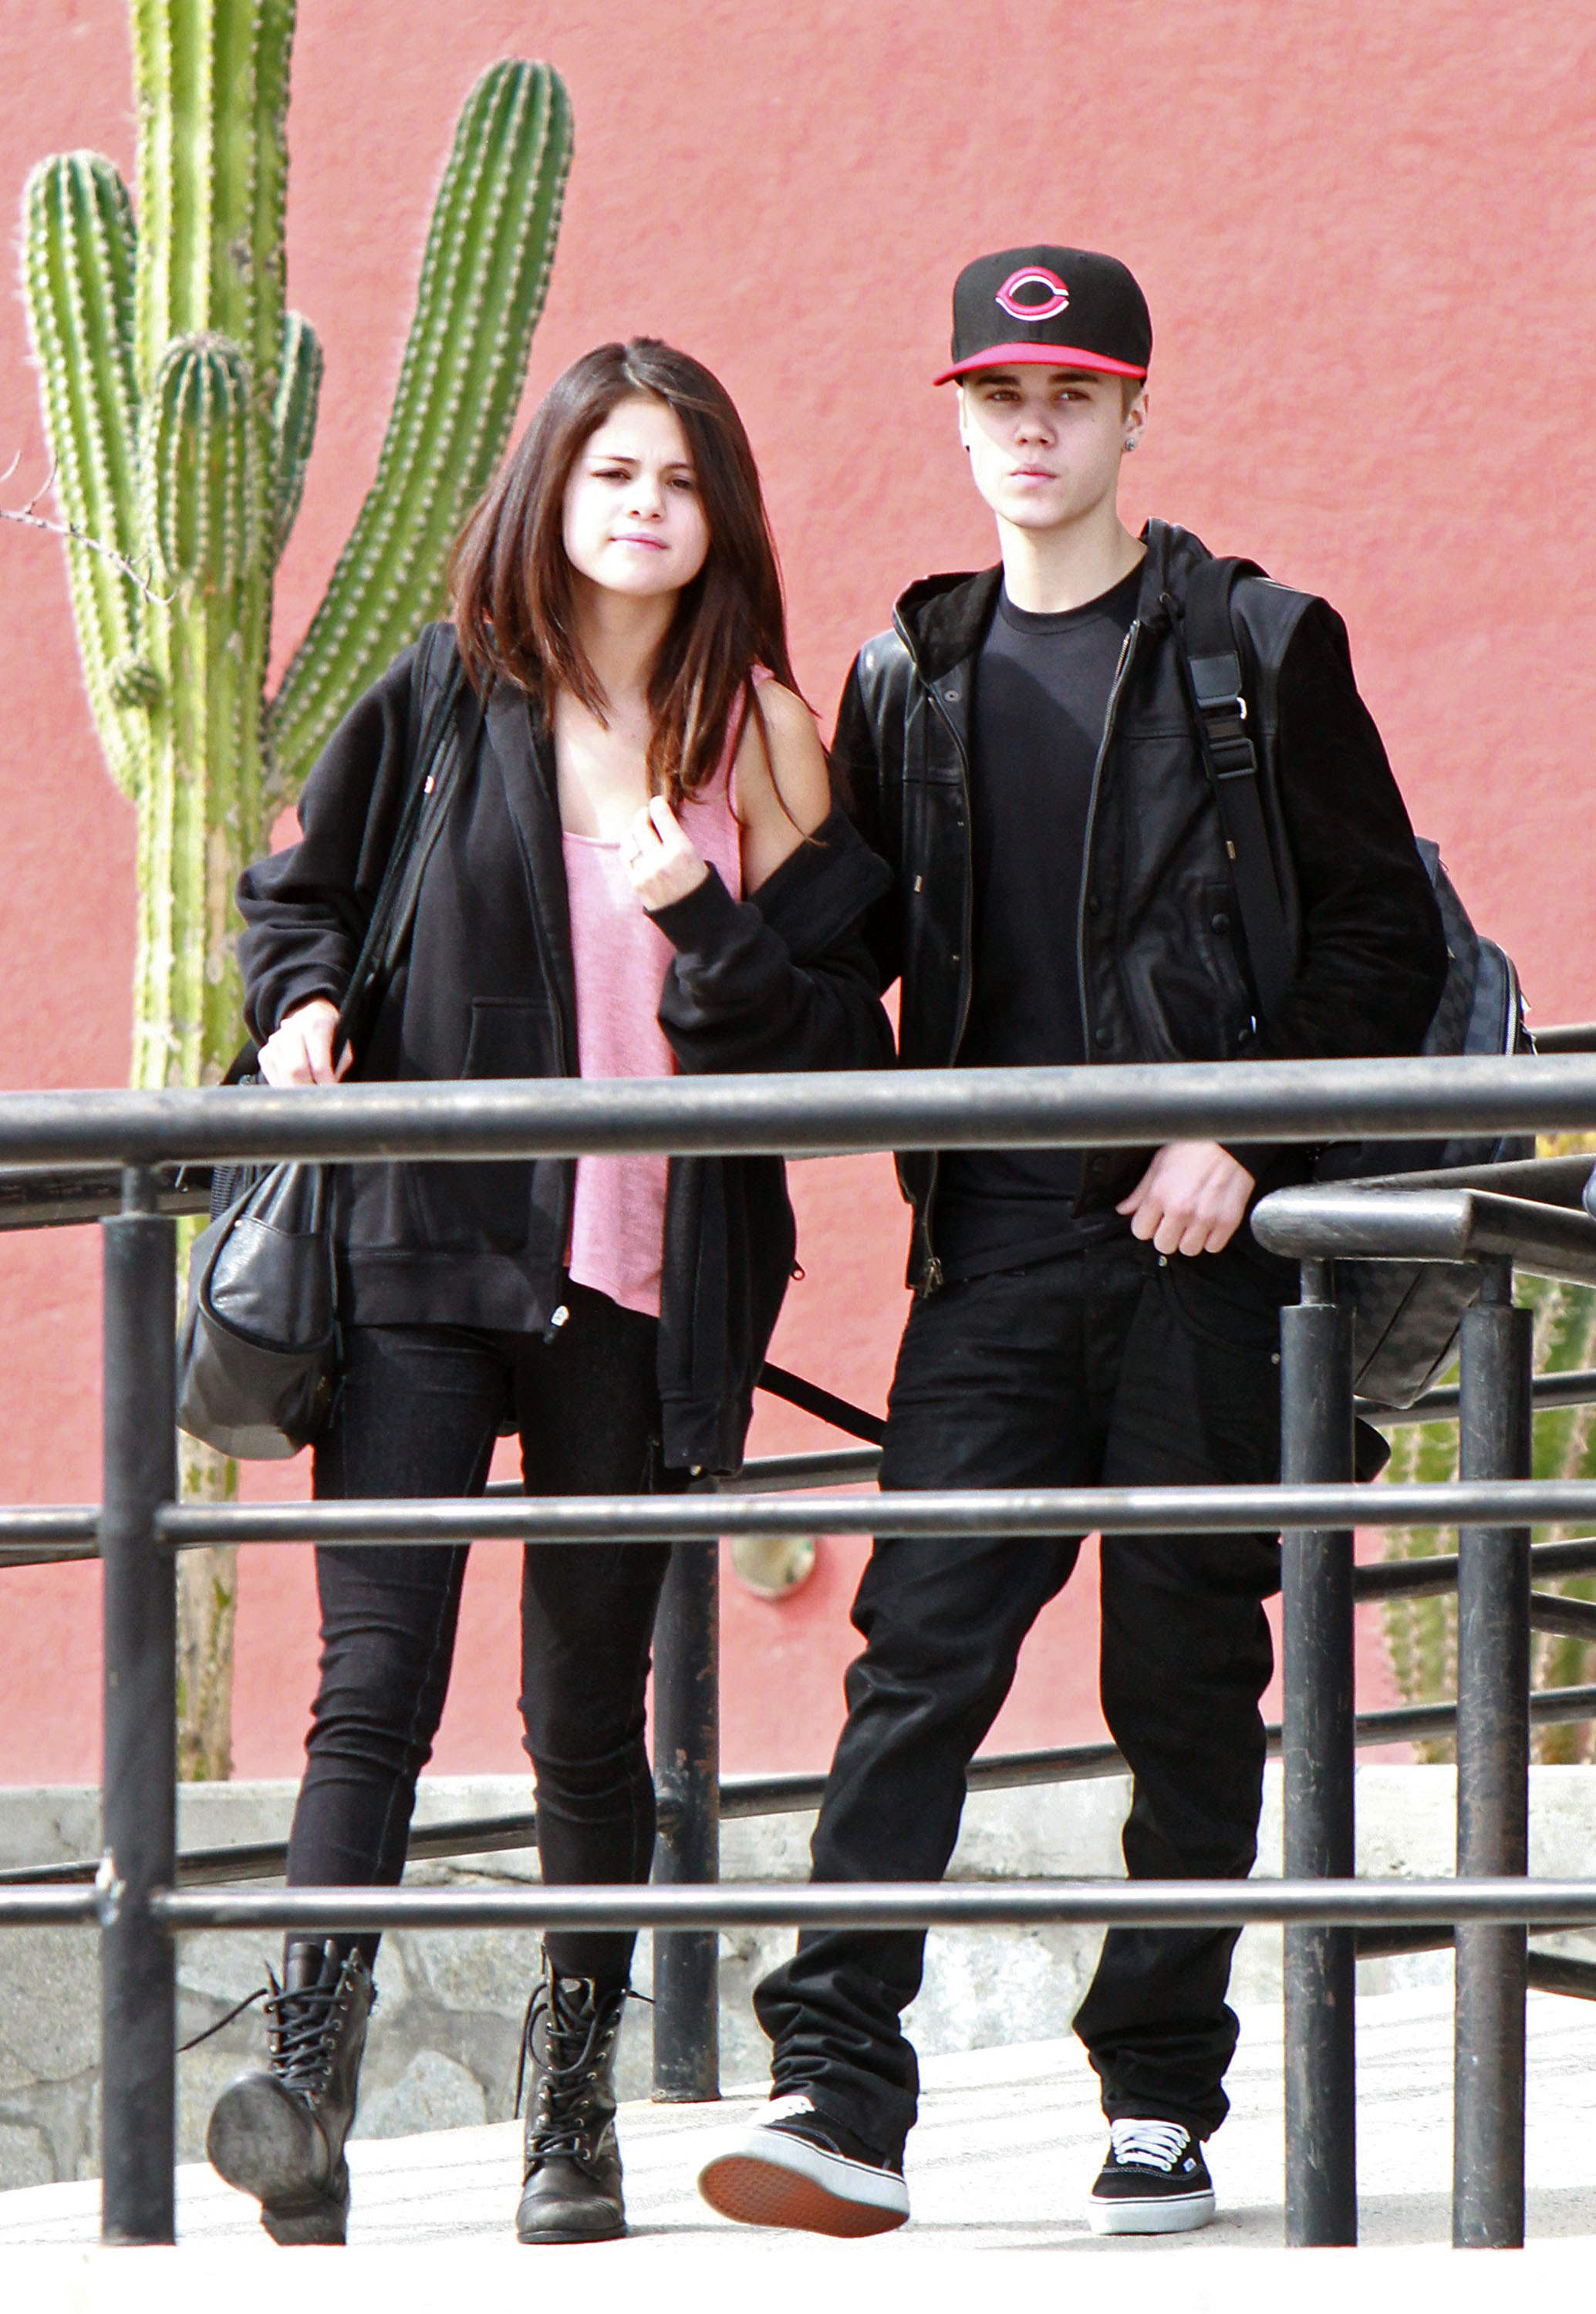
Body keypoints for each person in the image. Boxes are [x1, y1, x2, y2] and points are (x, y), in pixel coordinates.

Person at [696, 246, 1449, 2239]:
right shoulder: (907, 675)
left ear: (1132, 416)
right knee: (918, 1652)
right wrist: (688, 896)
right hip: (996, 1250)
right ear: (958, 422)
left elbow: (1381, 936)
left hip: (1206, 1252)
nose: (1031, 429)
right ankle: (835, 2084)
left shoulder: (1256, 646)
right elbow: (852, 949)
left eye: (1070, 396)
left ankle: (1159, 2100)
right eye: (998, 397)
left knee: (1183, 1678)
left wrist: (1239, 1127)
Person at [204, 337, 892, 2249]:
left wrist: (702, 917)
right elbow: (298, 900)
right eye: (613, 473)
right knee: (373, 1688)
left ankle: (573, 2106)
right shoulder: (447, 693)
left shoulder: (760, 736)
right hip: (423, 1257)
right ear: (552, 493)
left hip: (650, 1285)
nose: (645, 507)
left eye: (678, 479)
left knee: (588, 1712)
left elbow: (848, 1029)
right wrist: (303, 1010)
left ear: (719, 514)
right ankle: (308, 2087)